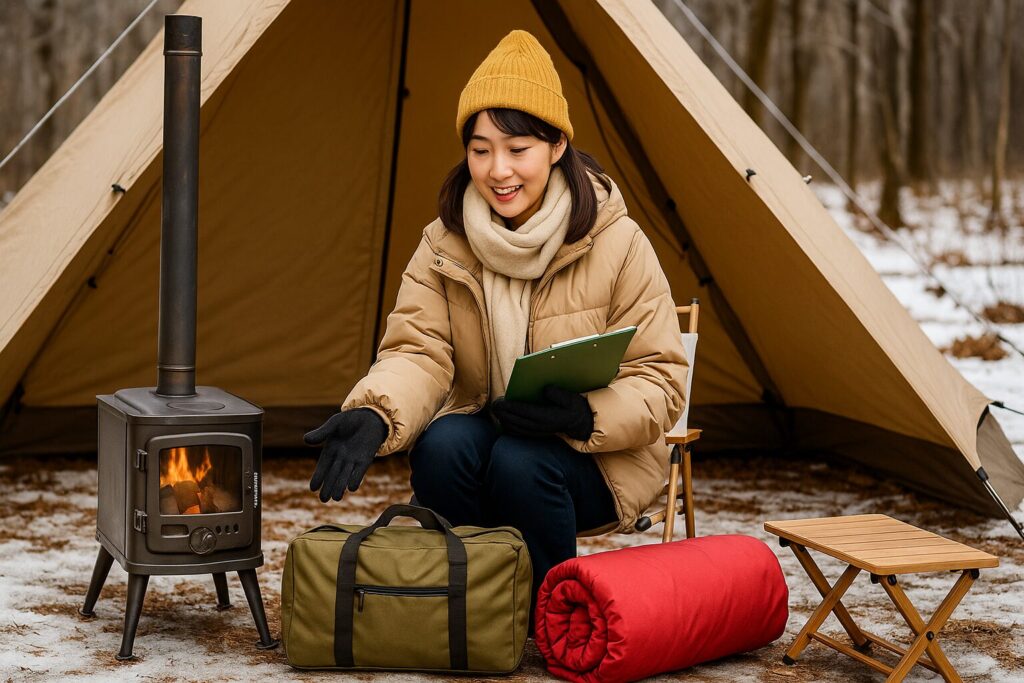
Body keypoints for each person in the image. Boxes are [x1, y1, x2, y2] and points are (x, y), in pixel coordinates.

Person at [304, 30, 688, 616]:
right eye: (480, 150)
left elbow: (660, 379)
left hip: (597, 460)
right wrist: (374, 411)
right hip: (494, 430)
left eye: (517, 149)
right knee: (443, 445)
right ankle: (473, 606)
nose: (498, 170)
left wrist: (585, 414)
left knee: (521, 459)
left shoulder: (619, 243)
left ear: (557, 145)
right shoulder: (444, 243)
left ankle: (553, 613)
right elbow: (419, 351)